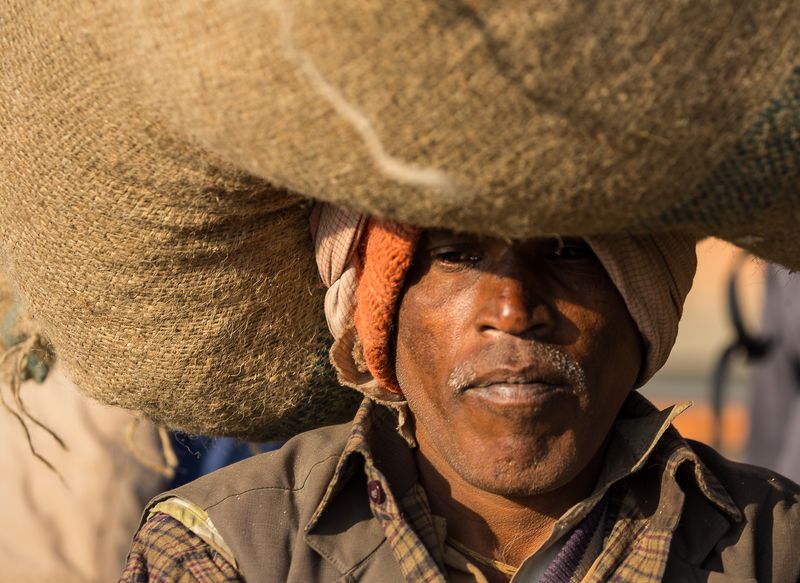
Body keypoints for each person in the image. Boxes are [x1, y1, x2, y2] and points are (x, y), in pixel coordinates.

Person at [121, 207, 800, 582]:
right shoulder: (232, 549)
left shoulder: (774, 543)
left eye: (567, 251)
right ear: (380, 321)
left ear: (641, 312)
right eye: (456, 253)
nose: (513, 308)